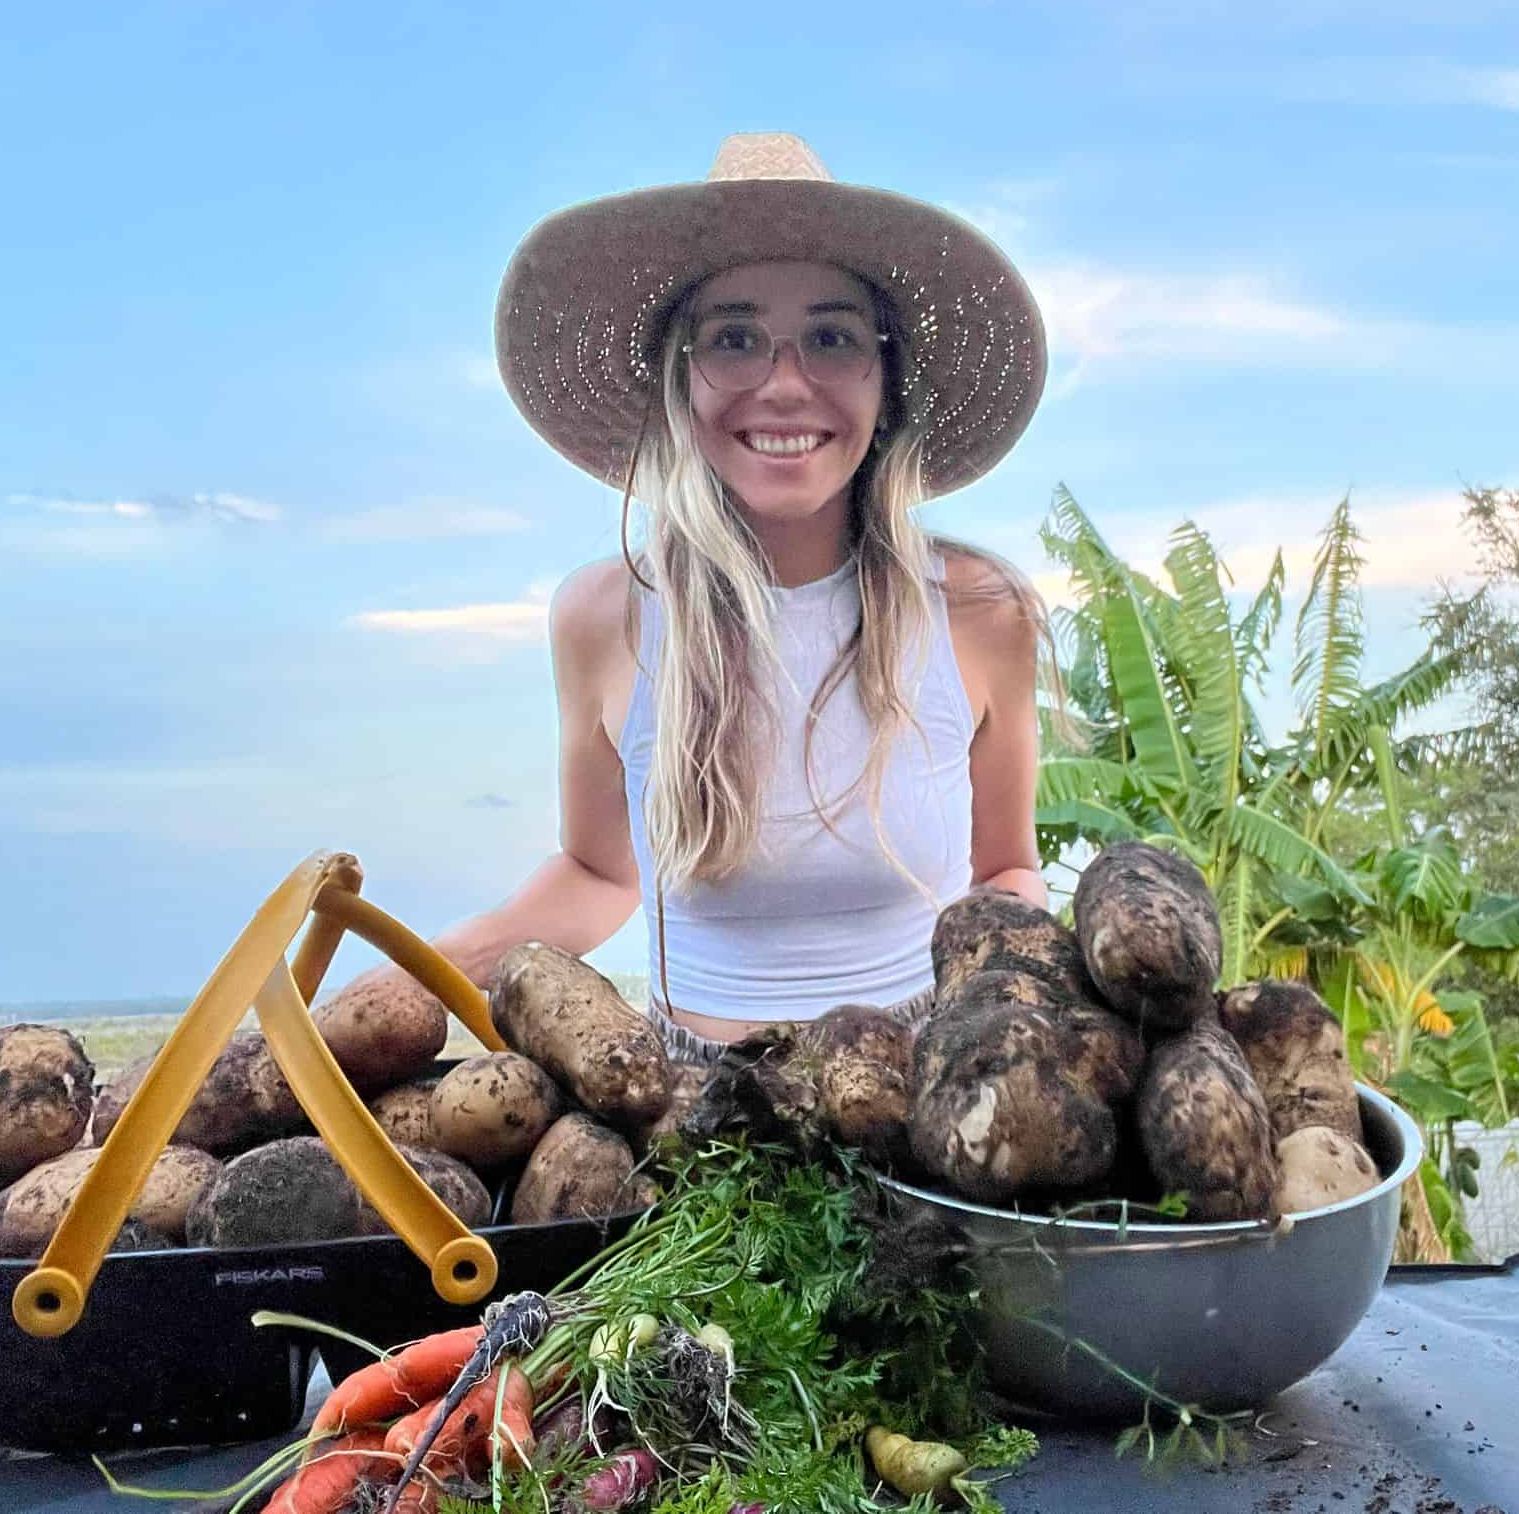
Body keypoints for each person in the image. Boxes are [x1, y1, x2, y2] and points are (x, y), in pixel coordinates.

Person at [432, 132, 1055, 1069]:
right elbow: (602, 872)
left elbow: (1004, 870)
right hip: (684, 1118)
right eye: (733, 338)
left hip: (922, 1109)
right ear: (680, 379)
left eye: (834, 338)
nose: (786, 384)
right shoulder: (609, 616)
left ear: (885, 383)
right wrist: (430, 968)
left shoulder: (977, 609)